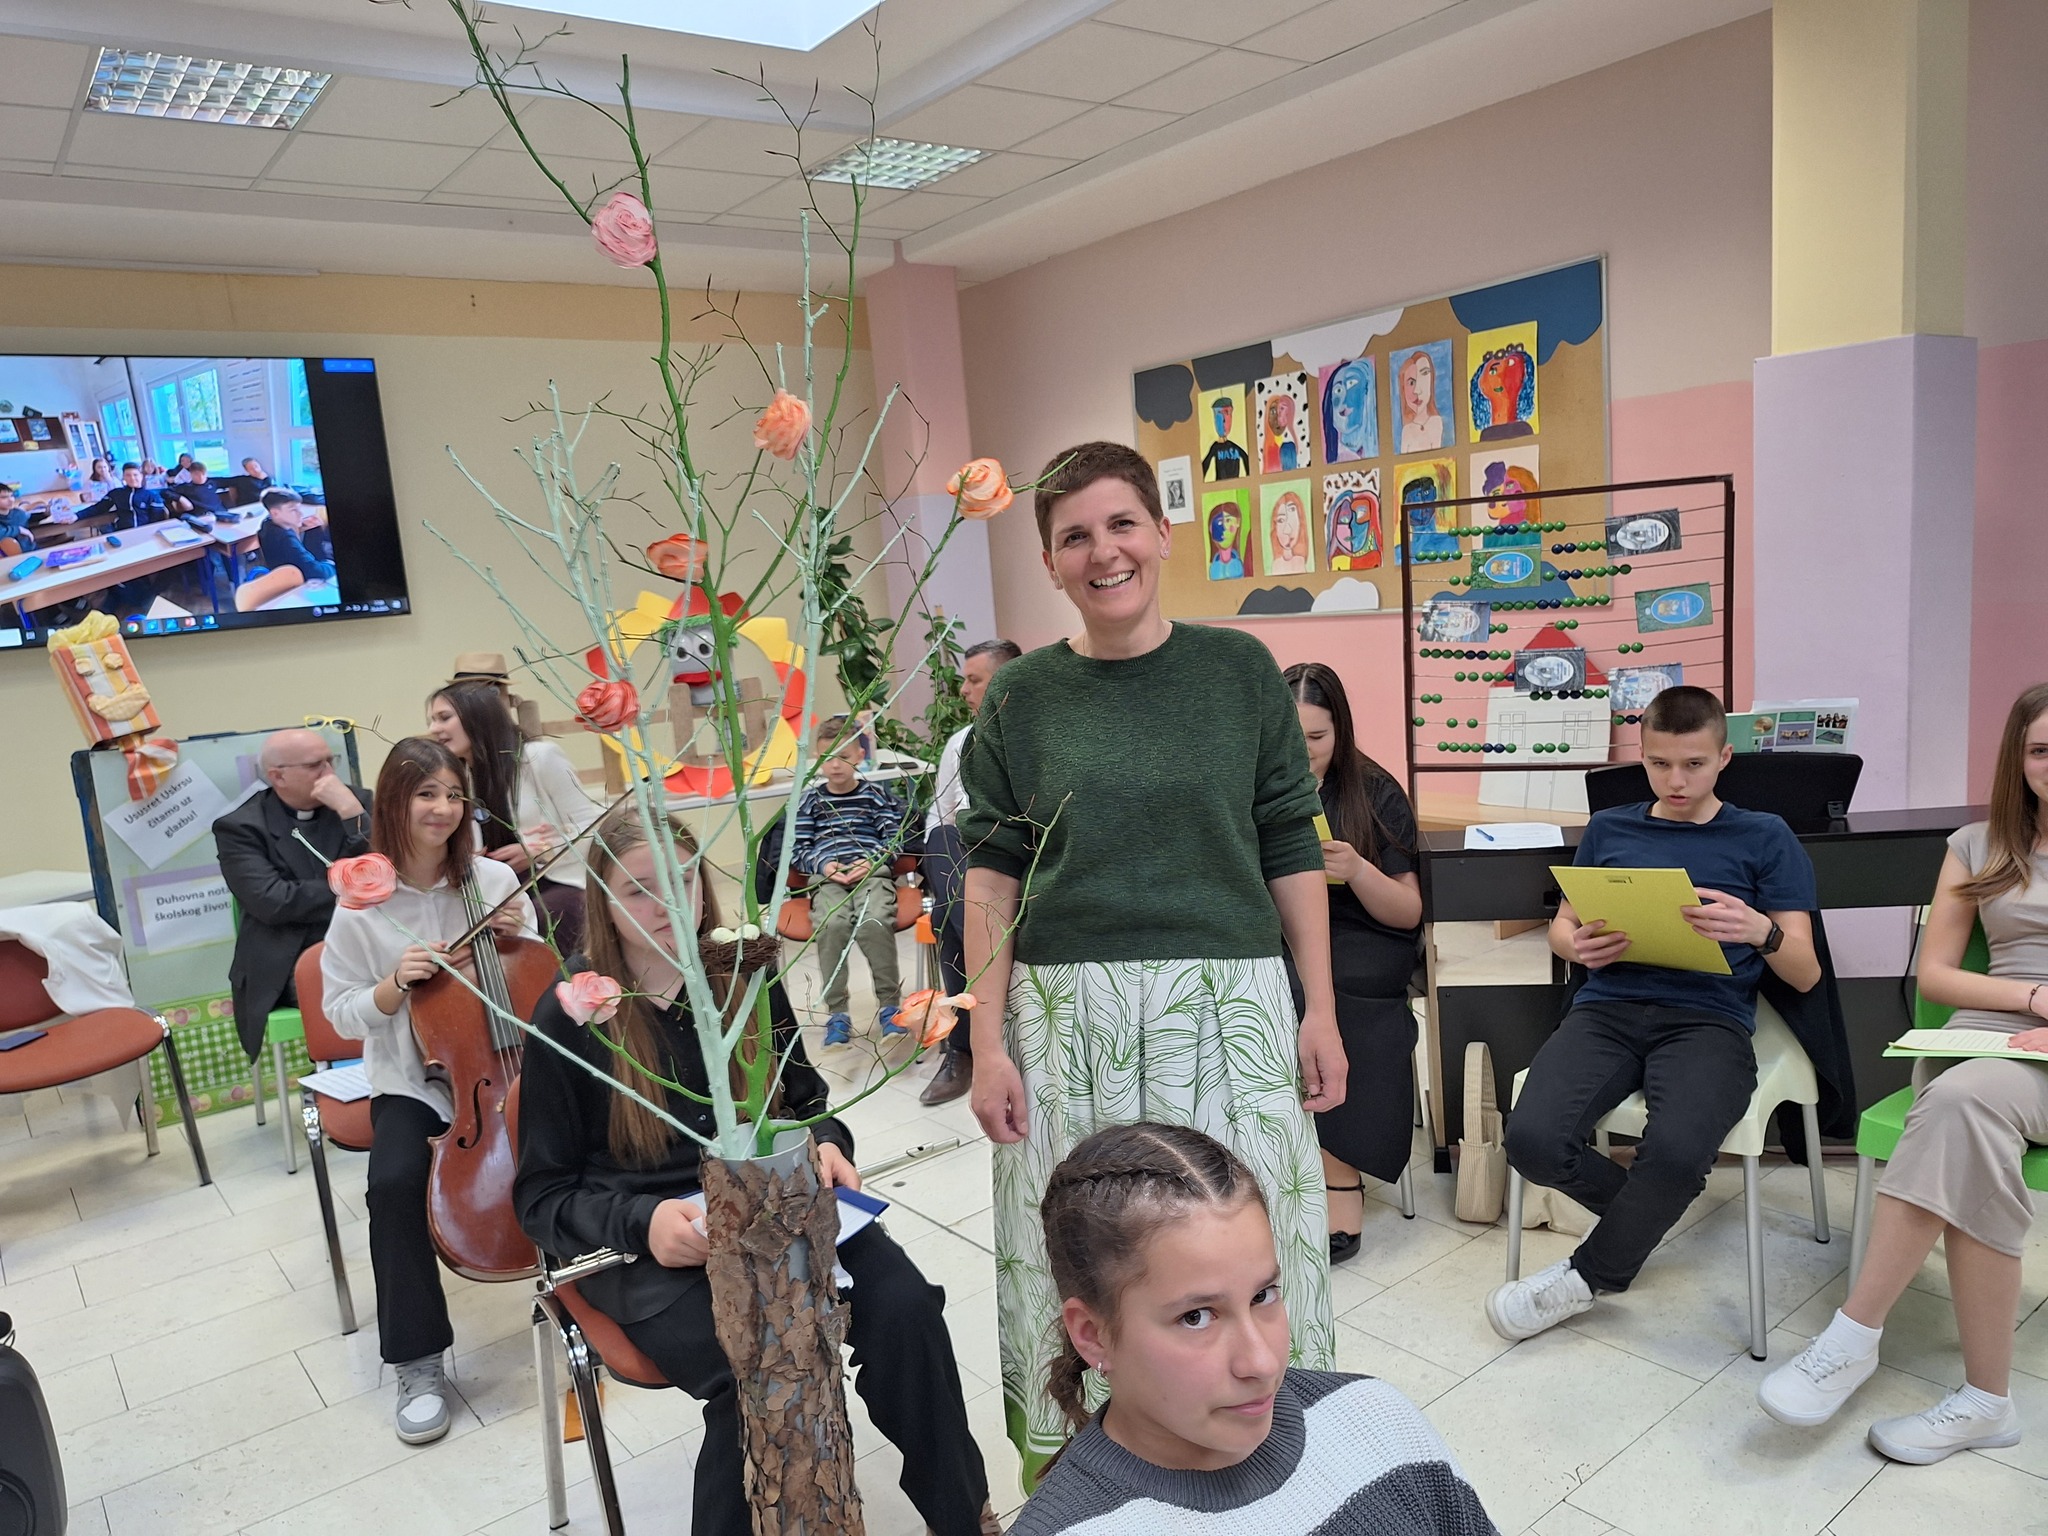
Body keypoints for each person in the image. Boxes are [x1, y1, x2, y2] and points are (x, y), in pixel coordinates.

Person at [959, 440, 1344, 1485]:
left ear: (1163, 534)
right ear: (1049, 561)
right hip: (1063, 1017)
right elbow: (990, 873)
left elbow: (1288, 841)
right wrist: (985, 1041)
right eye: (1074, 536)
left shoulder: (1238, 671)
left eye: (1122, 524)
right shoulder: (1020, 697)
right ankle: (1087, 1478)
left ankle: (1271, 1465)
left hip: (1230, 1003)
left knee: (1246, 1243)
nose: (1104, 552)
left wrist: (1318, 1007)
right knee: (1086, 1257)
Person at [515, 806, 1000, 1536]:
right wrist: (645, 1223)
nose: (669, 904)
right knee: (756, 1370)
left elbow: (804, 1099)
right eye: (641, 889)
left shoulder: (743, 971)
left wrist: (827, 1143)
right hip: (655, 1242)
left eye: (683, 879)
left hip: (775, 1203)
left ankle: (963, 1516)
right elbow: (541, 1197)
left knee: (906, 1310)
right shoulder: (572, 1012)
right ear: (603, 902)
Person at [1758, 682, 2048, 1463]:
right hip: (1995, 1031)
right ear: (2018, 760)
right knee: (1964, 1111)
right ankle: (1983, 1400)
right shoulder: (1978, 845)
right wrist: (2033, 998)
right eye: (2041, 749)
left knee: (1958, 1110)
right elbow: (1938, 975)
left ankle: (1854, 1338)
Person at [1484, 686, 1822, 1341]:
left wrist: (1760, 931)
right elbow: (1563, 927)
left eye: (1694, 764)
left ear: (1724, 757)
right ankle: (1646, 1212)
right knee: (1531, 1141)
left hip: (1709, 1021)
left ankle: (1586, 1278)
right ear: (1642, 755)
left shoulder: (1764, 836)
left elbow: (1804, 972)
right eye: (1659, 764)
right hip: (1607, 1010)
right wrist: (1575, 945)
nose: (1676, 781)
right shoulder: (1611, 828)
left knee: (1674, 1151)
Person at [1012, 1122, 1498, 1536]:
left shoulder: (1378, 1423)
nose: (1263, 1363)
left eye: (1263, 1295)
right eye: (1197, 1317)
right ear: (1092, 1334)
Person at [320, 736, 536, 1445]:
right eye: (426, 794)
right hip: (416, 1080)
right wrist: (393, 983)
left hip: (512, 1064)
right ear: (393, 801)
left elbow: (539, 975)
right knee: (393, 1186)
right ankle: (417, 1362)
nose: (443, 808)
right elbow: (340, 1012)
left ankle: (590, 1298)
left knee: (576, 1150)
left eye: (453, 794)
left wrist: (518, 935)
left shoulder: (492, 881)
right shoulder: (362, 906)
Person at [1283, 663, 1423, 1263]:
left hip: (1363, 934)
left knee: (1334, 1000)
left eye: (1316, 738)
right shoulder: (1254, 785)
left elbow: (1408, 912)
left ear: (1340, 731)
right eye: (1290, 738)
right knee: (1252, 991)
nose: (1303, 752)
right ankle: (1269, 1166)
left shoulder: (1374, 790)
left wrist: (1357, 869)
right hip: (1282, 930)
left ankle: (1340, 1176)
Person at [213, 728, 371, 1057]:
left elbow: (391, 873)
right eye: (315, 765)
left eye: (330, 761)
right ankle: (342, 1075)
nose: (329, 773)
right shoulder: (240, 827)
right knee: (357, 994)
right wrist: (355, 885)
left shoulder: (356, 804)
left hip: (366, 942)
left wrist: (353, 816)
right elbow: (274, 902)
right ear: (277, 776)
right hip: (287, 960)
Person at [427, 678, 605, 953]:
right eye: (432, 720)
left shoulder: (540, 757)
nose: (433, 729)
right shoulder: (460, 778)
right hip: (503, 891)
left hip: (559, 882)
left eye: (444, 718)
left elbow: (593, 828)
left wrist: (540, 851)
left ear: (476, 716)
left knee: (529, 925)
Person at [919, 638, 1022, 1105]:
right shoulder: (960, 743)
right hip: (961, 852)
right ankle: (969, 1047)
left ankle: (964, 1047)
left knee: (951, 918)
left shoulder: (1037, 735)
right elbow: (939, 813)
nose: (963, 690)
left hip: (1016, 858)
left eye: (974, 680)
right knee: (944, 849)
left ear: (1004, 681)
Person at [790, 715, 910, 1047]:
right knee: (832, 925)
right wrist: (823, 866)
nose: (835, 765)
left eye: (843, 756)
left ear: (859, 756)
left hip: (871, 874)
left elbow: (894, 839)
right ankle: (838, 1013)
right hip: (828, 879)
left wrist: (871, 862)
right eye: (827, 758)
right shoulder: (811, 801)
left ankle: (890, 1007)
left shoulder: (875, 796)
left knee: (874, 922)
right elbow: (797, 849)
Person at [257, 489, 335, 582]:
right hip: (297, 582)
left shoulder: (267, 524)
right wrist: (331, 564)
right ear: (275, 513)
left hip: (285, 574)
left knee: (314, 530)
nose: (300, 514)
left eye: (299, 509)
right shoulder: (286, 539)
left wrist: (299, 525)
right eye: (293, 510)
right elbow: (316, 572)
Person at [80, 463, 167, 531]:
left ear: (141, 476)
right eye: (128, 475)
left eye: (135, 475)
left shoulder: (152, 496)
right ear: (124, 477)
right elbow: (98, 508)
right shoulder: (116, 493)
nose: (132, 478)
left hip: (146, 533)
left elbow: (157, 521)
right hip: (122, 532)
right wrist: (77, 515)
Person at [1397, 348, 1446, 454]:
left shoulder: (1436, 423)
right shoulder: (1407, 431)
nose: (1417, 390)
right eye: (1411, 383)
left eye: (1424, 375)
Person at [1201, 396, 1250, 482]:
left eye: (1227, 413)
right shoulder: (1215, 447)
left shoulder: (1235, 447)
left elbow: (1247, 459)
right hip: (1221, 486)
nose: (1223, 420)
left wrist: (1249, 479)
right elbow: (1205, 465)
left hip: (1236, 485)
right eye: (1219, 414)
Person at [1267, 491, 1311, 575]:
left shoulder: (1300, 562)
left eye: (1293, 521)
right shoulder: (1276, 565)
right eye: (1281, 520)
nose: (1287, 530)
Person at [1207, 501, 1245, 580]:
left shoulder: (1239, 562)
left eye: (1228, 520)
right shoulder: (1214, 564)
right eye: (1219, 523)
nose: (1224, 528)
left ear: (1238, 522)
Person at [0, 485, 35, 552]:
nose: (11, 500)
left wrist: (45, 514)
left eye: (11, 496)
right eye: (4, 497)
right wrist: (19, 530)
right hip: (9, 556)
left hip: (30, 551)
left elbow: (28, 519)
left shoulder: (18, 513)